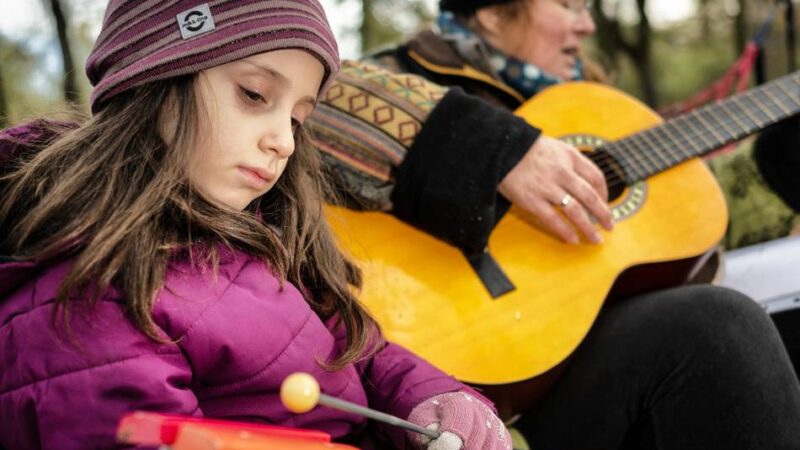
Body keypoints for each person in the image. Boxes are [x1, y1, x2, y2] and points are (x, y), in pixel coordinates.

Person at [0, 2, 513, 449]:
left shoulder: (262, 237)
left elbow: (350, 353)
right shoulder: (92, 294)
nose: (284, 142)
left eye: (297, 119)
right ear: (156, 78)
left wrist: (431, 398)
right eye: (254, 94)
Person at [305, 0, 800, 448]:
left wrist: (779, 161)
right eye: (568, 5)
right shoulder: (398, 72)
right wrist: (497, 152)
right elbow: (309, 98)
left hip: (586, 357)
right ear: (492, 12)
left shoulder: (593, 105)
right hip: (455, 377)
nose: (587, 25)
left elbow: (689, 213)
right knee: (719, 324)